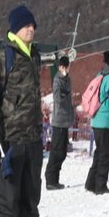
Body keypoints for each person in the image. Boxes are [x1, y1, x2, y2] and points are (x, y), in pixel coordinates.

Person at [0, 4, 47, 217]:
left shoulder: (34, 55)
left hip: (32, 135)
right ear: (15, 29)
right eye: (26, 25)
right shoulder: (3, 57)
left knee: (31, 190)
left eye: (33, 25)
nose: (31, 29)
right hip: (10, 136)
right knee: (8, 191)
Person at [83, 51, 109, 195]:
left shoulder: (100, 75)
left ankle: (90, 183)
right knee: (106, 154)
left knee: (99, 153)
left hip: (96, 119)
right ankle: (100, 186)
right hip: (105, 122)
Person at [45, 55, 74, 190]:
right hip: (58, 122)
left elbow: (68, 98)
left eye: (67, 67)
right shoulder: (58, 79)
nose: (66, 70)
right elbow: (58, 98)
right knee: (56, 151)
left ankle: (55, 178)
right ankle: (50, 179)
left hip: (65, 121)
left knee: (62, 152)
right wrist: (65, 91)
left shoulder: (67, 79)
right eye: (64, 67)